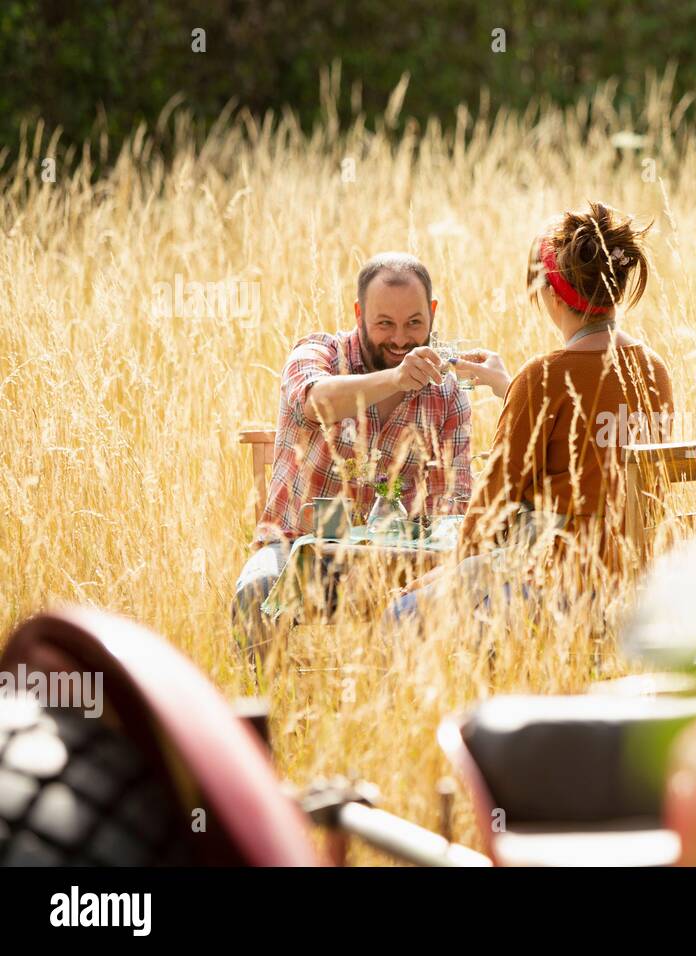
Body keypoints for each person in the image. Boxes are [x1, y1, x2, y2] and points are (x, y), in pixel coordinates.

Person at [385, 201, 673, 625]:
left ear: (551, 294)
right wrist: (510, 389)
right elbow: (593, 451)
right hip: (636, 584)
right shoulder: (655, 370)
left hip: (555, 585)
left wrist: (445, 572)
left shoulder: (543, 378)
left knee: (400, 614)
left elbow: (490, 511)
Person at [232, 252, 472, 661]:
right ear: (359, 314)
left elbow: (453, 511)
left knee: (462, 595)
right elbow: (317, 403)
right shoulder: (316, 354)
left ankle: (408, 716)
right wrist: (395, 379)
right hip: (300, 554)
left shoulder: (446, 394)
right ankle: (264, 712)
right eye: (384, 324)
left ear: (432, 313)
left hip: (400, 566)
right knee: (255, 589)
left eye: (414, 323)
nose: (400, 339)